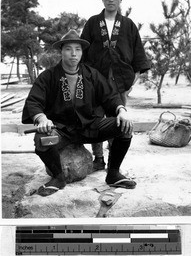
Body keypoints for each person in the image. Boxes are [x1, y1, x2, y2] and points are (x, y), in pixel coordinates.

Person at [22, 29, 136, 197]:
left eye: (78, 49)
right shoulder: (48, 76)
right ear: (61, 51)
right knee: (42, 139)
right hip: (61, 130)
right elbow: (34, 101)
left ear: (82, 52)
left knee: (125, 126)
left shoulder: (92, 74)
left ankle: (113, 173)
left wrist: (121, 110)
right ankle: (58, 177)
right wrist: (42, 118)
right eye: (68, 49)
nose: (73, 54)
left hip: (91, 125)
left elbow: (110, 97)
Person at [81, 0, 150, 171]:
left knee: (119, 120)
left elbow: (138, 56)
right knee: (95, 118)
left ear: (120, 0)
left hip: (120, 81)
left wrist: (130, 83)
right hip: (96, 80)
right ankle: (99, 158)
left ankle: (114, 161)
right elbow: (82, 52)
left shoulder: (128, 25)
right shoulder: (92, 23)